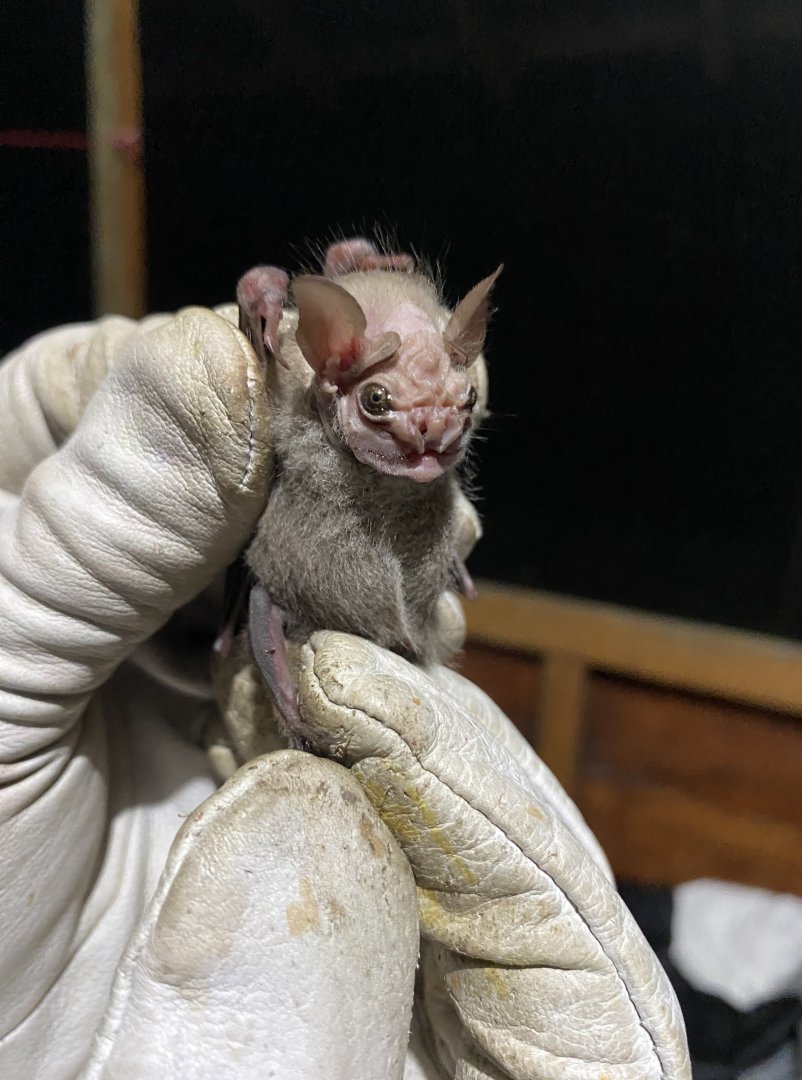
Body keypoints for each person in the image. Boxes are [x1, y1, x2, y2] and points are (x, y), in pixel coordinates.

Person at [0, 302, 690, 1079]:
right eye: (382, 405)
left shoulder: (411, 456)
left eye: (456, 406)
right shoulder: (295, 427)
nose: (429, 434)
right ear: (331, 374)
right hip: (265, 629)